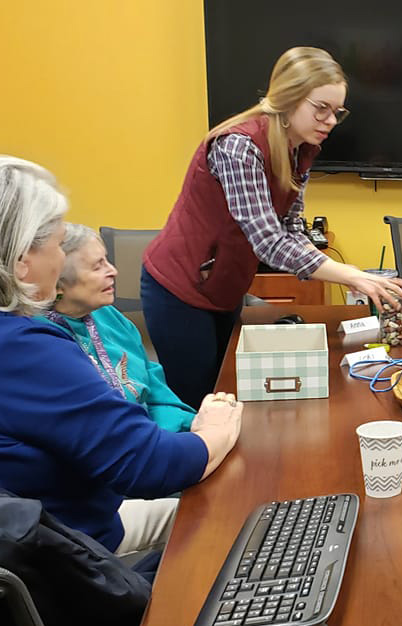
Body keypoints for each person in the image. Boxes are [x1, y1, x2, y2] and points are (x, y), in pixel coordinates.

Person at [141, 46, 402, 409]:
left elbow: (291, 228)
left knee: (226, 393)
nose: (330, 120)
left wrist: (352, 274)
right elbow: (269, 241)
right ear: (288, 97)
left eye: (337, 112)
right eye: (321, 108)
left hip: (220, 288)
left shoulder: (299, 151)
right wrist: (350, 277)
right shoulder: (238, 147)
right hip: (178, 291)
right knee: (197, 405)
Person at [0, 155, 243, 557]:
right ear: (23, 262)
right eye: (60, 246)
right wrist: (218, 430)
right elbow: (149, 465)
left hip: (58, 532)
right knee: (235, 514)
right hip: (80, 552)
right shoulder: (27, 350)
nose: (61, 261)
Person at [37, 223, 195, 432]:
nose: (113, 271)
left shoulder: (107, 314)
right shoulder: (38, 340)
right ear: (57, 283)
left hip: (157, 437)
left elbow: (158, 393)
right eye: (97, 266)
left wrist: (199, 425)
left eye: (107, 261)